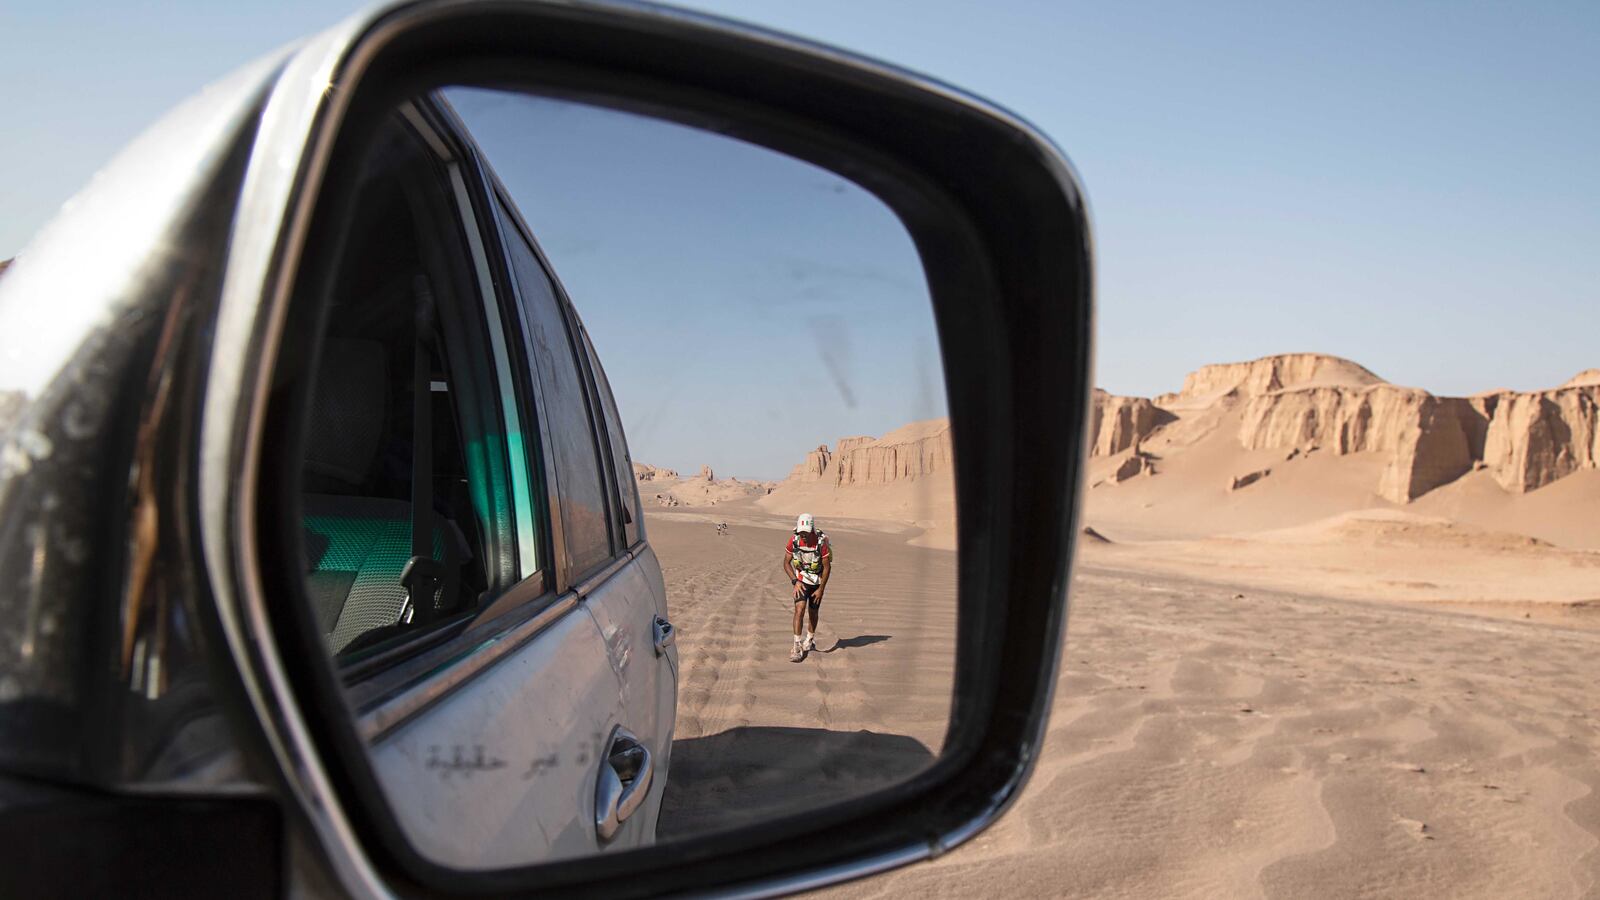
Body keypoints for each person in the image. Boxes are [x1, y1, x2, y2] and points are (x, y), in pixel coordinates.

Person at [782, 513, 831, 662]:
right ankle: (796, 645)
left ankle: (809, 639)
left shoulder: (821, 543)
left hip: (817, 583)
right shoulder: (794, 540)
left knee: (813, 612)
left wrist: (821, 589)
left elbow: (827, 567)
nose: (803, 535)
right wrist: (795, 581)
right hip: (801, 581)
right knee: (799, 609)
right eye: (801, 531)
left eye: (806, 532)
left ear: (812, 530)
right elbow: (786, 563)